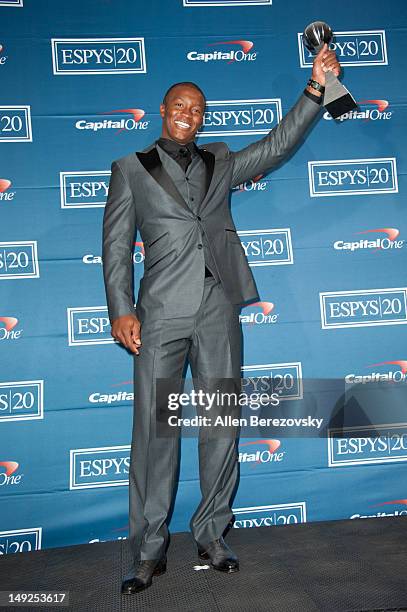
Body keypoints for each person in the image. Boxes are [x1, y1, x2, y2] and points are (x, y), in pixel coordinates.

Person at [102, 43, 340, 595]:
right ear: (163, 111)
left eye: (197, 109)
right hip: (158, 315)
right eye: (179, 107)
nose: (188, 115)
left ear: (202, 118)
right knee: (156, 434)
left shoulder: (220, 161)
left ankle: (211, 534)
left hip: (217, 312)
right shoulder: (131, 170)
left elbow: (278, 146)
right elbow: (116, 247)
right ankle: (148, 549)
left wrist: (315, 89)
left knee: (221, 428)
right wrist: (121, 308)